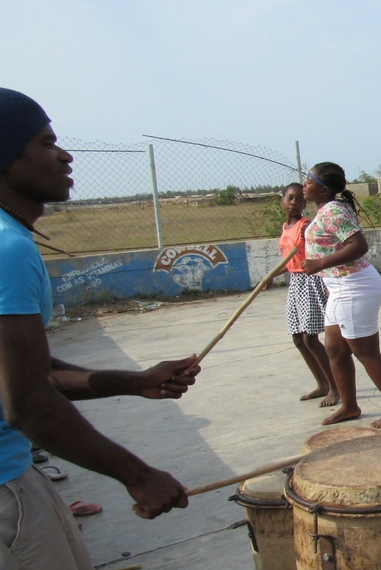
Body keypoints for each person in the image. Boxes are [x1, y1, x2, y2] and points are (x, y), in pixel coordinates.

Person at [0, 87, 200, 569]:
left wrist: (134, 382)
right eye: (46, 144)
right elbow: (25, 401)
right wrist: (137, 474)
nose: (65, 156)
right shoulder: (8, 250)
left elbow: (33, 370)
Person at [301, 162, 381, 428]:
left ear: (324, 188)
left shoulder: (333, 211)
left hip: (354, 286)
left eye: (309, 180)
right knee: (335, 349)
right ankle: (350, 406)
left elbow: (359, 245)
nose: (305, 184)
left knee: (365, 351)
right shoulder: (326, 210)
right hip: (339, 286)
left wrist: (319, 264)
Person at [269, 183, 337, 406]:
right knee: (298, 338)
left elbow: (322, 250)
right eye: (290, 198)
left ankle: (335, 388)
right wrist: (271, 276)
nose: (294, 203)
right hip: (295, 283)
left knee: (310, 336)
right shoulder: (286, 227)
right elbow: (288, 261)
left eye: (299, 200)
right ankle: (322, 384)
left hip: (311, 280)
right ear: (282, 200)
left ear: (304, 204)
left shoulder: (305, 227)